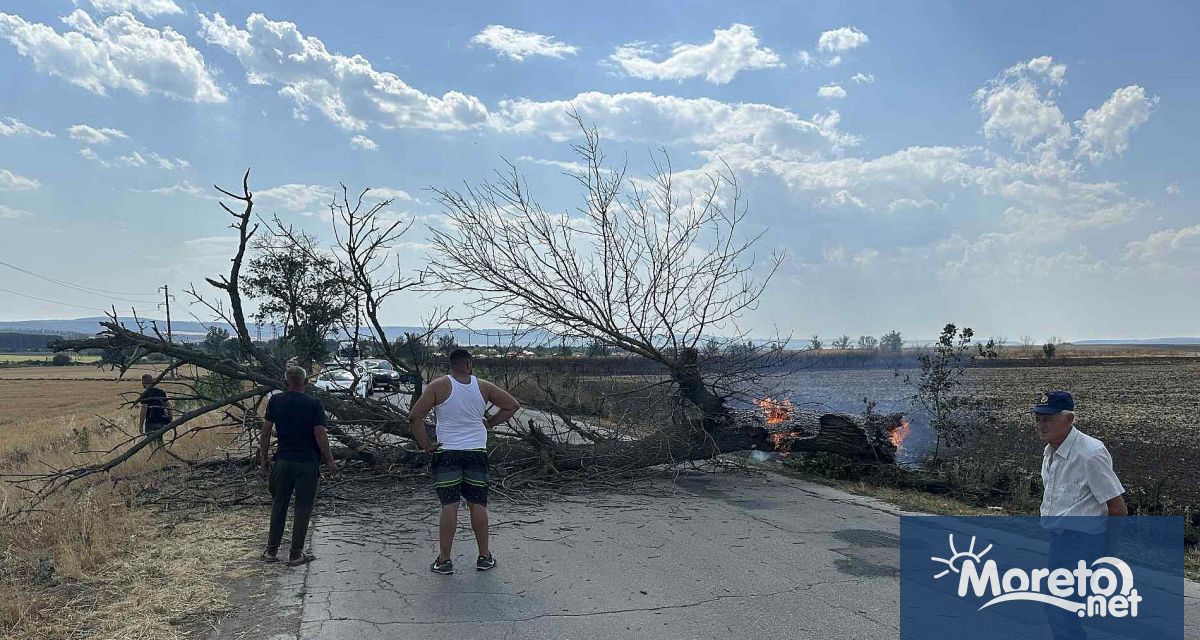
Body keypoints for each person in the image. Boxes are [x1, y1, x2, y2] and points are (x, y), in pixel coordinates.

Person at [409, 348, 520, 575]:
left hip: (447, 452)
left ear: (451, 365)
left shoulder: (438, 386)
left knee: (449, 505)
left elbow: (414, 417)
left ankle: (444, 560)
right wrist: (489, 423)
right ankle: (484, 557)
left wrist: (426, 445)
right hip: (476, 453)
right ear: (469, 364)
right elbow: (512, 405)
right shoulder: (484, 387)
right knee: (477, 504)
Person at [1033, 390, 1127, 639]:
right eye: (1038, 418)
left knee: (1061, 610)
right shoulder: (1051, 450)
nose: (1041, 424)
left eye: (1048, 418)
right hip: (1060, 542)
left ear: (1069, 419)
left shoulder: (1090, 453)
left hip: (1083, 545)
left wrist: (1108, 554)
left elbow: (1117, 507)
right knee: (1056, 608)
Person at [259, 365, 338, 566]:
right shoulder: (314, 403)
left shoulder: (275, 401)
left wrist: (264, 459)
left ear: (286, 383)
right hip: (307, 462)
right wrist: (329, 460)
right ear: (306, 382)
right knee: (303, 507)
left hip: (283, 461)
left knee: (279, 504)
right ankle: (295, 554)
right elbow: (320, 433)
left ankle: (271, 551)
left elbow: (266, 433)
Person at [137, 373, 172, 446]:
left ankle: (159, 456)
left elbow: (143, 411)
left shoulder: (145, 394)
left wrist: (141, 426)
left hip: (151, 422)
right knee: (159, 441)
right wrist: (170, 419)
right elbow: (168, 406)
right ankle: (162, 455)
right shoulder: (161, 392)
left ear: (143, 382)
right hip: (161, 421)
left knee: (152, 444)